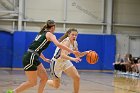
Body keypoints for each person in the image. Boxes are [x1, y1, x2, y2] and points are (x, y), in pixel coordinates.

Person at [7, 20, 80, 93]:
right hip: (30, 57)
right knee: (32, 82)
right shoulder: (49, 34)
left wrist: (44, 59)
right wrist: (72, 51)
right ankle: (14, 92)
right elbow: (58, 44)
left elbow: (36, 49)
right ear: (53, 27)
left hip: (33, 56)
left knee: (44, 78)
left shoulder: (41, 33)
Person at [47, 28, 90, 93]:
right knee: (56, 86)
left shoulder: (75, 43)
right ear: (68, 35)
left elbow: (78, 55)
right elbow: (62, 55)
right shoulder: (66, 41)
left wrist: (86, 52)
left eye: (76, 35)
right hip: (56, 63)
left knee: (77, 77)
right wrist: (73, 59)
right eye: (73, 35)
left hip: (65, 61)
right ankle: (45, 80)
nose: (74, 36)